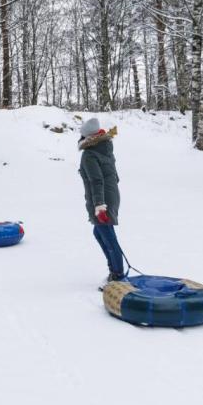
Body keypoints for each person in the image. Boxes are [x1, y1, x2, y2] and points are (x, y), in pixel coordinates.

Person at [78, 117, 124, 285]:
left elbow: (96, 181)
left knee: (107, 234)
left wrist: (99, 206)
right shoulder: (106, 148)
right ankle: (114, 271)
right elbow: (114, 177)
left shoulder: (89, 155)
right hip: (112, 196)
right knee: (99, 232)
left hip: (102, 200)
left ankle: (118, 275)